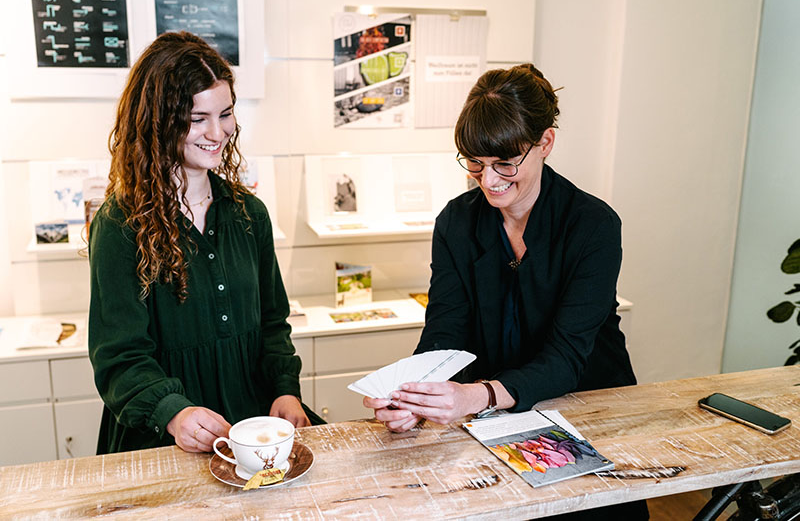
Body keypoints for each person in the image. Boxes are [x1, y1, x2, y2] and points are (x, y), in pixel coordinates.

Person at [364, 64, 648, 519]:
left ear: (546, 143)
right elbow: (445, 330)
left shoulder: (592, 225)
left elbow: (567, 357)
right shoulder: (457, 221)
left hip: (587, 405)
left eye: (505, 164)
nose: (489, 180)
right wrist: (415, 396)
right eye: (474, 162)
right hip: (496, 420)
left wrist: (475, 396)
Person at [88, 31, 321, 456]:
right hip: (168, 435)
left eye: (226, 114)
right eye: (198, 119)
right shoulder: (120, 225)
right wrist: (173, 412)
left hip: (255, 424)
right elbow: (119, 358)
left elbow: (273, 323)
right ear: (158, 120)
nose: (218, 132)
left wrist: (285, 390)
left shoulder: (250, 214)